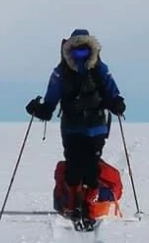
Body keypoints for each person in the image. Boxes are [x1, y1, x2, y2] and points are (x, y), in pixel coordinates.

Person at [26, 28, 126, 221]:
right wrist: (38, 109)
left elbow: (113, 94)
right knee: (74, 168)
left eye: (84, 51)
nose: (80, 55)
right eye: (76, 51)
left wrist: (117, 103)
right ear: (69, 50)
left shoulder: (99, 70)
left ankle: (85, 206)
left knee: (90, 168)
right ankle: (77, 205)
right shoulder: (61, 73)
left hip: (94, 128)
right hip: (75, 129)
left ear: (91, 50)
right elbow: (50, 104)